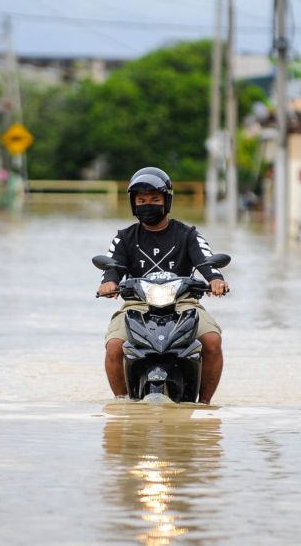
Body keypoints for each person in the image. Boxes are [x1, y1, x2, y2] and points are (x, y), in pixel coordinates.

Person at [98, 167, 229, 404]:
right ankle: (121, 401)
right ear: (133, 203)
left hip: (183, 302)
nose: (148, 204)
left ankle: (205, 403)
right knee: (114, 346)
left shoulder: (188, 234)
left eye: (155, 199)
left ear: (166, 201)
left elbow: (206, 261)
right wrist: (108, 283)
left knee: (212, 340)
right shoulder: (124, 237)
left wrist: (216, 280)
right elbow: (112, 268)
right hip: (137, 304)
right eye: (142, 200)